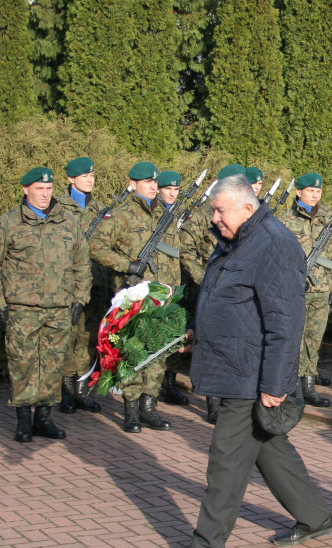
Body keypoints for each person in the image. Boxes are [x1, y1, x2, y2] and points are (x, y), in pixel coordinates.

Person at [164, 175, 332, 548]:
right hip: (231, 364)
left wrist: (277, 383)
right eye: (212, 209)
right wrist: (198, 332)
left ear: (247, 206)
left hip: (251, 373)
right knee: (270, 449)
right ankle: (316, 518)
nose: (215, 217)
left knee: (225, 459)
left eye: (220, 210)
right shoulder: (237, 239)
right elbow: (229, 300)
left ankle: (207, 546)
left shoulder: (274, 244)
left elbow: (286, 321)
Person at [0, 167, 91, 443]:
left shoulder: (68, 222)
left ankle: (44, 418)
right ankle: (23, 421)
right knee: (23, 365)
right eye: (38, 189)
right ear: (25, 190)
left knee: (53, 364)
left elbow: (82, 263)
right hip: (22, 309)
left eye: (48, 189)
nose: (45, 194)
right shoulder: (8, 223)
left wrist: (80, 299)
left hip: (59, 308)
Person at [88, 162, 181, 433]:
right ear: (133, 184)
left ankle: (149, 408)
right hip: (135, 298)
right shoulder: (121, 214)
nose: (153, 187)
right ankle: (130, 410)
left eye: (155, 183)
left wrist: (174, 295)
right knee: (132, 352)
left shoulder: (166, 215)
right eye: (146, 182)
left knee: (157, 354)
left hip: (162, 297)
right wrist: (125, 265)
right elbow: (94, 245)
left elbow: (174, 256)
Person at [179, 164, 244, 424]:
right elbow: (185, 248)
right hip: (209, 291)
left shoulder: (244, 215)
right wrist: (204, 276)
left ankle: (230, 397)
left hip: (235, 291)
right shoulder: (205, 215)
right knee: (210, 346)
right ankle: (213, 402)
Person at [275, 173, 332, 408]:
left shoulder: (327, 220)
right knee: (294, 339)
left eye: (319, 191)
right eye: (311, 190)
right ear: (298, 192)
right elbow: (278, 258)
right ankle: (292, 386)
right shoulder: (284, 220)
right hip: (295, 291)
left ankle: (309, 385)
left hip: (321, 289)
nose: (316, 194)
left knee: (314, 340)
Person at [56, 156, 104, 415]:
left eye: (92, 175)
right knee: (67, 337)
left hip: (96, 283)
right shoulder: (58, 207)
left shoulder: (100, 209)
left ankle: (82, 390)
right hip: (69, 284)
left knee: (89, 337)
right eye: (84, 175)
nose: (89, 179)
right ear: (70, 179)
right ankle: (65, 392)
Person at [155, 170, 190, 407]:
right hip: (155, 285)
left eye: (176, 190)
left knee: (173, 337)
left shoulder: (181, 214)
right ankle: (150, 389)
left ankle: (169, 383)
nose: (171, 193)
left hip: (176, 285)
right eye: (168, 189)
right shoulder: (153, 214)